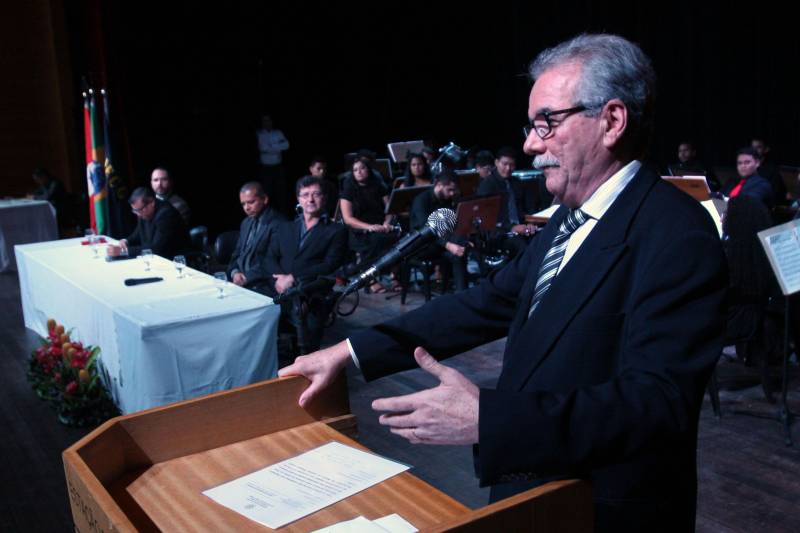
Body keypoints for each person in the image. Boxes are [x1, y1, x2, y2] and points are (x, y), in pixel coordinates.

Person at [280, 33, 727, 532]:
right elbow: (485, 303)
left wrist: (489, 420)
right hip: (531, 487)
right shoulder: (567, 220)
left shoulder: (677, 232)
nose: (531, 144)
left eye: (546, 123)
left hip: (602, 507)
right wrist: (352, 352)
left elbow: (657, 404)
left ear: (612, 121)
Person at [263, 176, 347, 354]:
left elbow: (330, 264)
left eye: (316, 194)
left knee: (308, 339)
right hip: (278, 289)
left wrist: (293, 277)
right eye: (305, 195)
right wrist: (280, 279)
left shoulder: (336, 231)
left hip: (310, 292)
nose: (310, 199)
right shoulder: (285, 227)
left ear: (324, 198)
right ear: (298, 199)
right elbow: (270, 257)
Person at [340, 156, 398, 293]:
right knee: (374, 242)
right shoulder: (348, 190)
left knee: (398, 239)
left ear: (368, 170)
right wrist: (369, 227)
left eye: (362, 168)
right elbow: (348, 219)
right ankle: (370, 279)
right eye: (355, 170)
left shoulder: (378, 186)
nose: (359, 171)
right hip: (359, 230)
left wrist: (386, 223)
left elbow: (390, 209)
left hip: (380, 226)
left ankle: (394, 276)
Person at [409, 173, 469, 291]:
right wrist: (448, 245)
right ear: (439, 185)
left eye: (454, 190)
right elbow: (428, 230)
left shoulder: (447, 199)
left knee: (460, 250)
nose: (452, 193)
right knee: (456, 250)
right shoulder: (421, 200)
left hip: (438, 242)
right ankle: (462, 292)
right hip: (421, 244)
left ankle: (462, 292)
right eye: (450, 190)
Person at [227, 181, 286, 291]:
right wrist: (234, 272)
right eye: (243, 204)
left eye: (251, 202)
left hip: (263, 284)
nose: (246, 208)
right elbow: (237, 254)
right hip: (240, 281)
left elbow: (272, 261)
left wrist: (246, 277)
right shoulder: (246, 223)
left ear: (264, 199)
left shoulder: (278, 223)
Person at [107, 187, 190, 258]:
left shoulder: (166, 214)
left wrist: (123, 251)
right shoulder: (143, 212)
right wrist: (126, 241)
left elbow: (157, 249)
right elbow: (138, 233)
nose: (138, 215)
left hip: (175, 260)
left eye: (139, 210)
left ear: (152, 203)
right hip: (156, 259)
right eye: (135, 211)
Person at [256, 114, 290, 210]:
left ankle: (282, 214)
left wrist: (270, 147)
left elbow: (286, 145)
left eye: (268, 120)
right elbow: (262, 148)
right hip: (266, 167)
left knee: (281, 193)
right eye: (265, 121)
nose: (267, 123)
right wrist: (277, 147)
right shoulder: (260, 134)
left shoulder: (278, 133)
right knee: (267, 192)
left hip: (278, 166)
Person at [751, 137, 788, 205]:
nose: (754, 150)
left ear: (766, 149)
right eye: (752, 147)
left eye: (758, 147)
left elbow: (774, 195)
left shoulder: (772, 170)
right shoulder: (747, 168)